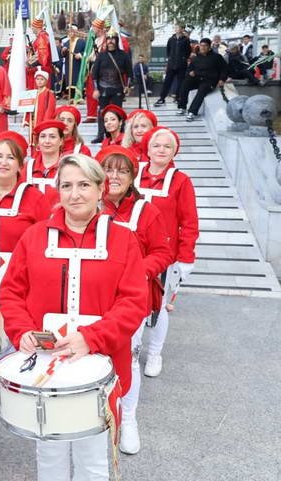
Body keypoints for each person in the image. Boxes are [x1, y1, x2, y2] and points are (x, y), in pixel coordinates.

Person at [0, 153, 146, 481]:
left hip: (101, 361)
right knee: (48, 451)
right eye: (66, 186)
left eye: (83, 185)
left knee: (93, 457)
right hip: (44, 362)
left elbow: (134, 301)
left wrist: (92, 337)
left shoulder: (123, 239)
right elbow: (11, 292)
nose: (74, 194)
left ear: (99, 188)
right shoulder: (34, 236)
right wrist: (21, 329)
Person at [95, 145, 173, 455]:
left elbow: (164, 253)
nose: (114, 176)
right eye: (108, 169)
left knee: (127, 358)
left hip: (130, 298)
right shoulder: (89, 204)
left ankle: (128, 419)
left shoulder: (146, 211)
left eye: (122, 170)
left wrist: (134, 271)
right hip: (93, 296)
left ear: (132, 177)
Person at [0, 132, 51, 414]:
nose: (3, 162)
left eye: (10, 157)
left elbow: (45, 238)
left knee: (18, 333)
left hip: (21, 276)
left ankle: (22, 385)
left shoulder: (35, 198)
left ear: (21, 163)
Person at [135, 127, 199, 378]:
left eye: (167, 147)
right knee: (129, 303)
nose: (161, 150)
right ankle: (131, 349)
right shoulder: (134, 174)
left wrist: (186, 256)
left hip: (164, 255)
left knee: (159, 308)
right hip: (132, 252)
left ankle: (154, 353)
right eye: (156, 145)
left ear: (174, 151)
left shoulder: (181, 181)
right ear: (148, 149)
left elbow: (189, 221)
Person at [90, 30, 132, 143]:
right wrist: (96, 89)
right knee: (102, 112)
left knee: (118, 112)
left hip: (117, 88)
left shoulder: (124, 55)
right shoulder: (101, 56)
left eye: (113, 39)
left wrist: (127, 86)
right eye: (108, 39)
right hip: (103, 88)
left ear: (116, 40)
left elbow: (129, 73)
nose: (110, 41)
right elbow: (94, 74)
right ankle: (100, 135)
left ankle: (120, 134)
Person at [177, 38, 228, 121]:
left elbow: (224, 69)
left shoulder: (217, 57)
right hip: (197, 79)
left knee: (202, 90)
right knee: (185, 84)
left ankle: (192, 112)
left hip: (209, 81)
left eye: (205, 46)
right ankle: (182, 107)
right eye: (201, 45)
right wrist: (190, 72)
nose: (203, 47)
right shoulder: (196, 58)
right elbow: (189, 69)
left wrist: (222, 79)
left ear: (209, 47)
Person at [25, 120, 66, 206]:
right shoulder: (28, 167)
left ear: (61, 141)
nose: (47, 141)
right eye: (43, 136)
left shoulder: (68, 167)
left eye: (52, 136)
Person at [155, 25, 192, 106]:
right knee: (167, 82)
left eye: (178, 28)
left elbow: (188, 51)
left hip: (181, 65)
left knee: (180, 82)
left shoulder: (186, 40)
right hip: (171, 64)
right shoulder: (171, 39)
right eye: (175, 28)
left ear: (182, 29)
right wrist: (171, 59)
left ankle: (178, 98)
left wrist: (183, 58)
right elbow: (168, 50)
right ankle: (162, 98)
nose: (176, 29)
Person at [24, 70, 57, 145]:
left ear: (46, 81)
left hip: (42, 120)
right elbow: (28, 107)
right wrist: (26, 119)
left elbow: (50, 109)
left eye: (42, 79)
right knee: (32, 140)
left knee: (41, 140)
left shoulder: (49, 93)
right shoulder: (32, 93)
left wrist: (46, 121)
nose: (39, 81)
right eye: (37, 79)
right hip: (32, 120)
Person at [26, 18, 53, 90]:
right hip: (39, 68)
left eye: (32, 26)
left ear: (36, 27)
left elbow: (42, 55)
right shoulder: (40, 37)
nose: (31, 28)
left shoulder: (42, 37)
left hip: (41, 69)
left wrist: (30, 62)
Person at [63, 25, 87, 100]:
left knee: (77, 79)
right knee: (70, 81)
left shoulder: (82, 42)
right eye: (69, 32)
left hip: (77, 64)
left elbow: (87, 52)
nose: (70, 33)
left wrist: (80, 55)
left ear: (76, 32)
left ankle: (80, 96)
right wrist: (63, 51)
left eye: (72, 31)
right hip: (69, 65)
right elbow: (63, 55)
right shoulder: (66, 43)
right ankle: (71, 96)